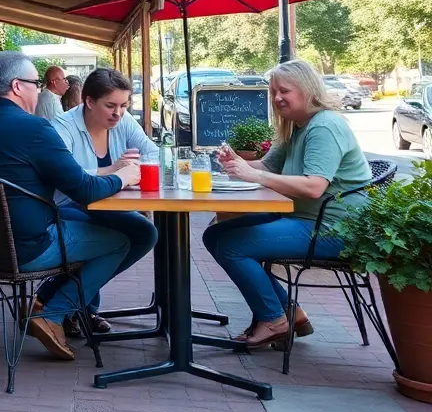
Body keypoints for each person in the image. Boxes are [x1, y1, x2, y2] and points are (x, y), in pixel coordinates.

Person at [0, 51, 140, 359]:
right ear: (16, 86)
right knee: (127, 239)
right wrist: (123, 176)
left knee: (113, 228)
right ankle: (52, 314)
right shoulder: (35, 130)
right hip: (29, 249)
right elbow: (84, 189)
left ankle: (47, 303)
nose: (39, 90)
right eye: (36, 83)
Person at [202, 60, 372, 348]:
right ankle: (290, 313)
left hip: (335, 229)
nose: (277, 97)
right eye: (273, 92)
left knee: (233, 246)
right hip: (307, 220)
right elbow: (268, 165)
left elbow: (314, 186)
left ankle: (274, 319)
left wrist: (254, 174)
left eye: (285, 90)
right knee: (215, 234)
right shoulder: (297, 126)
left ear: (307, 90)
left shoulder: (324, 127)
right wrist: (237, 164)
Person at [40, 69, 160, 334]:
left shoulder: (124, 121)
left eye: (124, 105)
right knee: (117, 237)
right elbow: (67, 179)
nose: (118, 113)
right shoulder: (62, 127)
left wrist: (138, 165)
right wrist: (114, 171)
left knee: (145, 232)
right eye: (110, 105)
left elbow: (152, 152)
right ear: (89, 101)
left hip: (106, 207)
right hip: (66, 207)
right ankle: (68, 310)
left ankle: (52, 298)